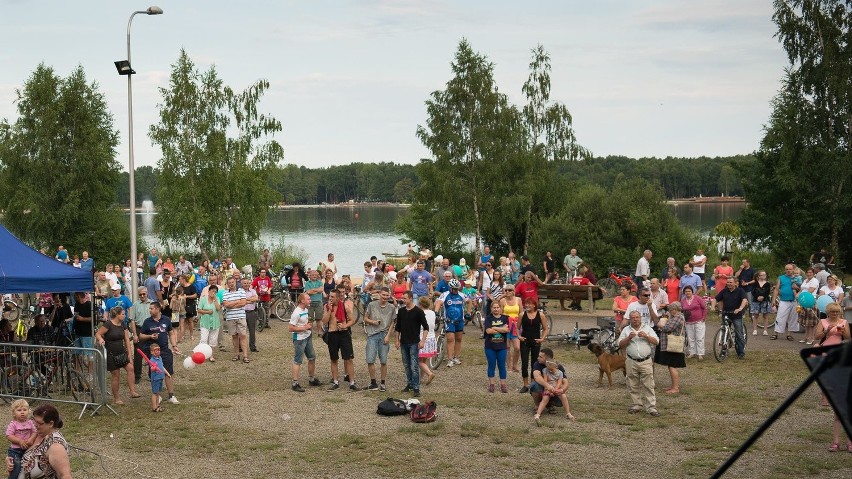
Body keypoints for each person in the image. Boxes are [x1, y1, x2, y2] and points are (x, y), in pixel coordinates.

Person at [816, 303, 851, 452]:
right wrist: (827, 331)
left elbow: (849, 338)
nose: (835, 314)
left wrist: (843, 332)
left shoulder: (844, 322)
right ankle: (825, 397)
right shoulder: (823, 321)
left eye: (837, 312)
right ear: (828, 312)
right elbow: (816, 336)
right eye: (833, 312)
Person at [5, 405, 70, 479]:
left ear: (51, 424)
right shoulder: (37, 434)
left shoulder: (56, 446)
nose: (35, 425)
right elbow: (21, 450)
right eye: (35, 421)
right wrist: (10, 459)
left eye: (40, 423)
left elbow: (65, 475)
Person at [617, 310, 660, 417]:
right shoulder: (626, 330)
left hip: (646, 361)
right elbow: (620, 344)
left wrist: (646, 336)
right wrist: (628, 338)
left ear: (640, 318)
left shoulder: (647, 328)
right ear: (630, 319)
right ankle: (636, 405)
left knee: (649, 385)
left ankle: (651, 407)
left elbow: (656, 341)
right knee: (632, 384)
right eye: (633, 318)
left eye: (637, 317)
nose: (635, 319)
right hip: (631, 361)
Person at [96, 306, 140, 404]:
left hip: (122, 353)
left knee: (130, 368)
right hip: (111, 354)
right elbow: (98, 334)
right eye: (123, 314)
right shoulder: (108, 324)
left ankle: (132, 391)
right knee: (116, 375)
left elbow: (127, 340)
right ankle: (116, 398)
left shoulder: (123, 324)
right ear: (117, 315)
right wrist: (100, 339)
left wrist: (129, 354)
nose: (124, 316)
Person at [140, 302, 180, 404]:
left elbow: (170, 333)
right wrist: (150, 337)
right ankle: (157, 395)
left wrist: (174, 345)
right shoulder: (147, 322)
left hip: (164, 350)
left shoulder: (166, 319)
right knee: (155, 374)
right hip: (152, 353)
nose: (150, 310)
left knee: (169, 372)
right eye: (149, 308)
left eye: (152, 308)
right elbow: (141, 336)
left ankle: (171, 395)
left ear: (158, 309)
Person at [322, 290, 358, 391]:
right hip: (332, 334)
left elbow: (352, 320)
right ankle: (335, 382)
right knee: (334, 359)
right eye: (330, 296)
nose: (330, 298)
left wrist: (344, 325)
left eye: (332, 297)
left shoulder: (345, 306)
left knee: (348, 359)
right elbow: (324, 321)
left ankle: (352, 382)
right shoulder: (327, 306)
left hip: (344, 334)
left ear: (338, 298)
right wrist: (329, 310)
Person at [393, 291, 428, 397]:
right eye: (402, 298)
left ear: (411, 298)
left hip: (414, 342)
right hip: (404, 342)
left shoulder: (418, 311)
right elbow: (397, 327)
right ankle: (409, 383)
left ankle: (416, 387)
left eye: (405, 298)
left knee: (414, 366)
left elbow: (426, 327)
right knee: (406, 365)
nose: (403, 300)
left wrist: (422, 341)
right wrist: (396, 340)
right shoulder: (401, 311)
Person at [364, 288, 396, 391]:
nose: (385, 297)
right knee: (370, 360)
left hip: (384, 335)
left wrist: (388, 335)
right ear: (379, 294)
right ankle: (373, 382)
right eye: (384, 295)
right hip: (372, 334)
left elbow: (392, 322)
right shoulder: (372, 305)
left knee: (383, 361)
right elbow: (365, 318)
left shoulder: (391, 307)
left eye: (387, 295)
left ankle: (383, 383)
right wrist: (373, 322)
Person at [289, 293, 321, 392]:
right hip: (299, 339)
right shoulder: (296, 313)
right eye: (308, 299)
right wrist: (304, 327)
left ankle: (311, 379)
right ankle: (295, 383)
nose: (310, 300)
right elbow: (291, 328)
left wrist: (308, 326)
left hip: (307, 336)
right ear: (302, 301)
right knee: (298, 360)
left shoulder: (306, 310)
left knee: (312, 357)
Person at [434, 279, 469, 367]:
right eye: (454, 289)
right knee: (450, 339)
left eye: (457, 289)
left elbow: (470, 301)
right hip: (449, 321)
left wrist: (468, 313)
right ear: (450, 288)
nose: (456, 290)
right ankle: (450, 359)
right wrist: (436, 312)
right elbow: (439, 302)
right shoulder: (445, 294)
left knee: (459, 339)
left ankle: (456, 357)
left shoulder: (461, 295)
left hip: (460, 321)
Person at [712, 277, 749, 359]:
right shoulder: (724, 291)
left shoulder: (740, 291)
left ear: (736, 283)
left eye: (731, 282)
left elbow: (744, 300)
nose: (729, 284)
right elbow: (716, 299)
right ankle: (723, 350)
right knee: (724, 332)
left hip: (736, 315)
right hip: (726, 314)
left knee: (739, 334)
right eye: (728, 282)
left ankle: (741, 352)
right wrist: (713, 306)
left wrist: (740, 308)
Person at [654, 301, 686, 394]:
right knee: (670, 365)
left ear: (675, 310)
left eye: (671, 310)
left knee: (672, 365)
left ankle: (675, 388)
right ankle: (673, 386)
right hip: (670, 345)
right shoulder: (674, 316)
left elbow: (667, 328)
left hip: (674, 346)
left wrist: (661, 324)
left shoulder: (678, 317)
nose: (670, 311)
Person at [518, 297, 549, 393]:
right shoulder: (522, 315)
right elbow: (516, 327)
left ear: (534, 305)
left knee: (535, 363)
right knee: (524, 363)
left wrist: (542, 338)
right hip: (525, 341)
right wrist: (519, 336)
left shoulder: (541, 315)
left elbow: (545, 328)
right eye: (526, 303)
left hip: (536, 342)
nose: (527, 305)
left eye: (529, 304)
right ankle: (525, 384)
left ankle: (533, 383)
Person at [533, 358, 575, 424]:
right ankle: (538, 414)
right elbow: (545, 381)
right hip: (548, 388)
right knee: (545, 399)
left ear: (556, 367)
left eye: (551, 369)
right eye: (548, 368)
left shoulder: (560, 373)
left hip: (556, 388)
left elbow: (559, 383)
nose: (549, 370)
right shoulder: (545, 370)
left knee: (563, 396)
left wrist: (555, 390)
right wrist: (548, 390)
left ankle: (568, 413)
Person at [482, 302, 509, 393]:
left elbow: (506, 330)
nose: (496, 309)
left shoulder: (505, 318)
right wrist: (501, 328)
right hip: (490, 346)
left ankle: (503, 385)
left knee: (502, 365)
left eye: (498, 307)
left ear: (500, 308)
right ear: (491, 308)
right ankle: (492, 384)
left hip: (502, 346)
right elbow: (488, 331)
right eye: (494, 307)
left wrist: (495, 327)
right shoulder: (488, 318)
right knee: (491, 365)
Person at [6, 399, 36, 479]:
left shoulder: (30, 422)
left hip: (27, 449)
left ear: (28, 411)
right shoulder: (13, 424)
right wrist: (19, 441)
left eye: (25, 410)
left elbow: (34, 432)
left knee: (28, 467)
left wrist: (31, 439)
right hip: (15, 451)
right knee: (16, 468)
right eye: (19, 410)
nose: (22, 412)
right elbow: (9, 435)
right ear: (14, 413)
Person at [222, 277, 250, 363]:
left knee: (243, 336)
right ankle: (236, 354)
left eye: (232, 282)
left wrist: (232, 304)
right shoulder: (225, 293)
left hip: (241, 317)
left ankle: (245, 355)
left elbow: (243, 303)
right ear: (227, 284)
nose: (231, 284)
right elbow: (226, 304)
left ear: (235, 282)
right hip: (230, 317)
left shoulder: (241, 291)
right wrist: (237, 302)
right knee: (234, 336)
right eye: (229, 282)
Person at [771, 264, 800, 341]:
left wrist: (797, 288)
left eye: (790, 269)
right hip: (784, 300)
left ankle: (789, 334)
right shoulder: (781, 278)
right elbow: (776, 289)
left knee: (793, 318)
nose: (788, 271)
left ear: (793, 270)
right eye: (786, 269)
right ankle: (775, 333)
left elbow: (801, 288)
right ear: (785, 270)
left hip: (794, 301)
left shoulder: (797, 278)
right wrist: (773, 300)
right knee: (780, 316)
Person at [500, 284, 523, 373]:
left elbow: (521, 312)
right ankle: (509, 366)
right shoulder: (502, 301)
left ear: (514, 291)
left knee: (517, 347)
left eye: (509, 290)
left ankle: (515, 365)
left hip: (516, 325)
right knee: (507, 347)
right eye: (506, 290)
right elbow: (500, 314)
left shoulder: (518, 300)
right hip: (506, 325)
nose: (507, 292)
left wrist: (520, 323)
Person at [680, 285, 707, 360]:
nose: (687, 292)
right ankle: (692, 352)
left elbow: (704, 308)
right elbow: (682, 311)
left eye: (689, 291)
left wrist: (703, 318)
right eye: (686, 291)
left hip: (699, 321)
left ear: (692, 292)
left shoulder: (698, 298)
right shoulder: (683, 300)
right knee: (690, 338)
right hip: (688, 322)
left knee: (699, 337)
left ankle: (700, 353)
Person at [416, 296, 438, 388]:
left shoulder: (420, 313)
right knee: (424, 360)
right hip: (431, 337)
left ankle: (429, 373)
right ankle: (420, 379)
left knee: (419, 361)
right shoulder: (432, 313)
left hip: (422, 338)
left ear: (420, 304)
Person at [196, 285, 221, 363]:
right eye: (212, 291)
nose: (213, 293)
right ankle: (201, 355)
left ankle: (211, 355)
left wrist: (215, 299)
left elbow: (218, 308)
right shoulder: (203, 299)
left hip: (215, 322)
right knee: (203, 339)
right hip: (205, 322)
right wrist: (207, 312)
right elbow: (199, 310)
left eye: (215, 292)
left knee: (213, 340)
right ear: (208, 291)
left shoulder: (217, 299)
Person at [71, 292, 94, 376]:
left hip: (87, 334)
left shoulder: (89, 305)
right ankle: (77, 372)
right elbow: (76, 316)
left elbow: (93, 318)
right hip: (77, 333)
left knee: (89, 354)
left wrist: (82, 319)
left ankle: (90, 372)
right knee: (76, 353)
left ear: (80, 296)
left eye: (76, 297)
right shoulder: (77, 304)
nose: (74, 298)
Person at [241, 278, 260, 353]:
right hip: (242, 312)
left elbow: (256, 298)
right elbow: (241, 301)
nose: (246, 285)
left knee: (252, 331)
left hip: (251, 312)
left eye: (248, 283)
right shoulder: (239, 291)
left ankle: (252, 347)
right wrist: (250, 300)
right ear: (242, 284)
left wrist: (246, 300)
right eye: (245, 283)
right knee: (241, 331)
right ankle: (241, 347)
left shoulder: (253, 291)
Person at [750, 271, 772, 336]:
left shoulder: (767, 283)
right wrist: (757, 297)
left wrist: (763, 297)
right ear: (758, 276)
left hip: (765, 300)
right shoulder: (755, 283)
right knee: (755, 315)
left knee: (765, 316)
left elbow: (767, 292)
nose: (763, 276)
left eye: (764, 275)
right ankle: (755, 330)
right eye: (761, 275)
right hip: (756, 301)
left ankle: (765, 330)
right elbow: (753, 292)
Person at [147, 343, 168, 412]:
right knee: (154, 393)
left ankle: (157, 405)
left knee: (158, 393)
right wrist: (154, 368)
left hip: (161, 378)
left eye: (159, 350)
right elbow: (152, 369)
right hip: (155, 379)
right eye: (156, 350)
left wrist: (167, 373)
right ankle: (154, 407)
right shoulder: (152, 360)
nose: (158, 351)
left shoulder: (160, 358)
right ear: (152, 352)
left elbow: (162, 367)